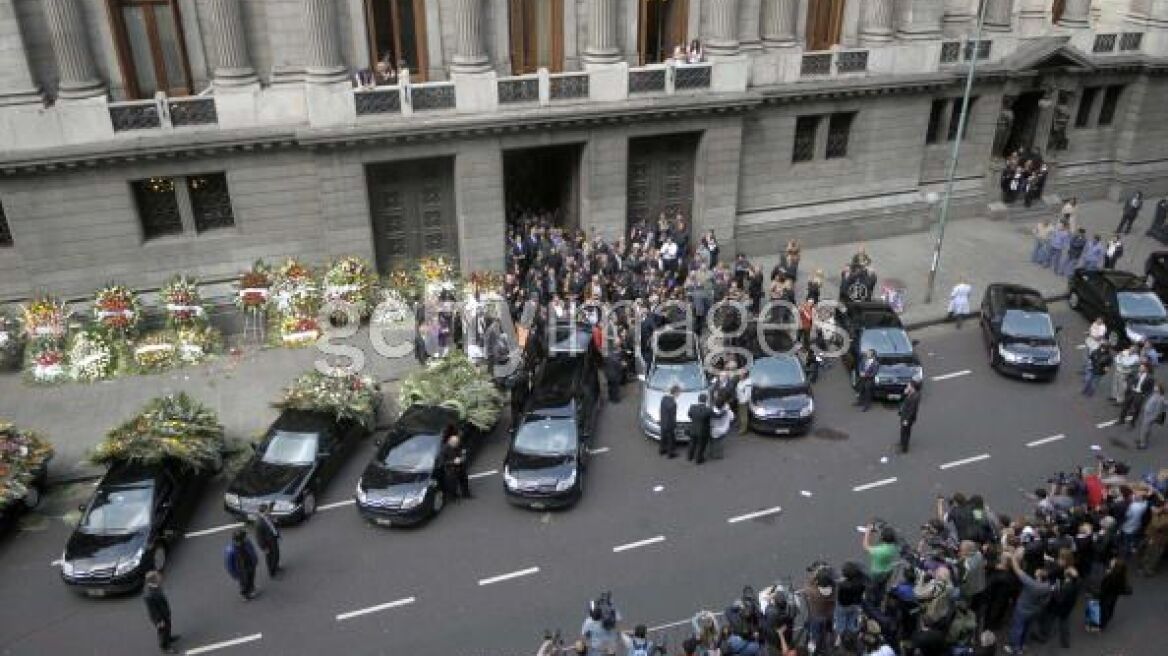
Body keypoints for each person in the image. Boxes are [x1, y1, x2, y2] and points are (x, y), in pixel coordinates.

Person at [1004, 546, 1052, 654]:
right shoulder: (1047, 586)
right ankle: (1023, 644)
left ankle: (1015, 648)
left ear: (1039, 575)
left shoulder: (1031, 583)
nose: (1037, 570)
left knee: (1017, 628)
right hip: (1035, 610)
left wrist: (1013, 558)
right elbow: (1046, 601)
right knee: (1027, 627)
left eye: (1039, 571)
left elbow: (1017, 570)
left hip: (1022, 609)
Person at [143, 571, 179, 654]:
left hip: (164, 613)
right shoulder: (149, 595)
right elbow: (153, 611)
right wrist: (159, 621)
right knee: (162, 632)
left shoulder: (155, 586)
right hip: (160, 618)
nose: (160, 577)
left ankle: (169, 638)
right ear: (153, 580)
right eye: (158, 577)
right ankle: (165, 646)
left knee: (168, 627)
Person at [1095, 557, 1130, 632]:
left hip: (1106, 596)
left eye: (1112, 562)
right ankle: (1104, 621)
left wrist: (1106, 575)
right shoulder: (1121, 576)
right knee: (1110, 608)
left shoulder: (1111, 577)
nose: (1110, 562)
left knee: (1103, 609)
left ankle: (1100, 624)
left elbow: (1104, 587)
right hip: (1114, 596)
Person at [224, 529, 259, 601]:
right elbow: (229, 565)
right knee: (243, 582)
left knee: (251, 577)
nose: (245, 538)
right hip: (241, 569)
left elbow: (252, 550)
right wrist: (234, 574)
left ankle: (251, 588)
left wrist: (255, 560)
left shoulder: (247, 542)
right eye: (243, 537)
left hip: (250, 564)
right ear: (237, 540)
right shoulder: (230, 550)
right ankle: (245, 594)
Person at [1118, 361, 1154, 425]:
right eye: (1140, 367)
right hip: (1131, 392)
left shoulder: (1150, 378)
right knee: (1125, 406)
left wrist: (1144, 395)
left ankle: (1132, 422)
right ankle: (1121, 420)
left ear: (1146, 369)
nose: (1140, 368)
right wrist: (1129, 385)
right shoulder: (1135, 373)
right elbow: (1128, 378)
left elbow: (1150, 390)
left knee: (1136, 409)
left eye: (1142, 367)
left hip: (1140, 395)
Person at [441, 429, 472, 500]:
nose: (456, 445)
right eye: (455, 443)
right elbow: (443, 462)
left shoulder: (458, 445)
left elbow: (462, 451)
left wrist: (463, 455)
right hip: (451, 470)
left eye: (457, 443)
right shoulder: (444, 450)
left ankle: (466, 494)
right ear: (450, 442)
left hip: (460, 467)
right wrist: (453, 462)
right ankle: (454, 496)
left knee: (464, 481)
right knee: (452, 485)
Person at [254, 503, 281, 578]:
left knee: (276, 554)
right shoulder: (259, 523)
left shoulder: (268, 516)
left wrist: (275, 521)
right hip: (268, 543)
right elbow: (259, 537)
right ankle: (272, 572)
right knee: (270, 557)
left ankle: (276, 566)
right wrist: (264, 548)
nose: (269, 511)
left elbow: (273, 525)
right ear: (263, 512)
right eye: (267, 510)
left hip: (273, 538)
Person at [1136, 382, 1165, 449]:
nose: (1155, 387)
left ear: (1159, 389)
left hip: (1150, 416)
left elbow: (1158, 410)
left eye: (1156, 387)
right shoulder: (1155, 394)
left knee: (1144, 429)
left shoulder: (1160, 398)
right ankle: (1143, 440)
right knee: (1146, 428)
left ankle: (1142, 444)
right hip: (1147, 413)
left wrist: (1152, 417)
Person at [687, 393, 713, 464]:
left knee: (692, 443)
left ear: (698, 399)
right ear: (706, 400)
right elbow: (714, 416)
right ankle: (699, 459)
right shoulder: (708, 410)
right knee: (701, 446)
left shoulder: (692, 407)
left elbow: (689, 415)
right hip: (703, 431)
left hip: (693, 429)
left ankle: (690, 457)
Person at [898, 381, 920, 454]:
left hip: (908, 418)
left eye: (909, 385)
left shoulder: (915, 397)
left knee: (906, 432)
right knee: (902, 430)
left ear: (912, 387)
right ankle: (902, 442)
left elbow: (912, 410)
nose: (907, 386)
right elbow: (902, 399)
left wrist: (906, 420)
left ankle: (905, 448)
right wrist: (905, 393)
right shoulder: (909, 393)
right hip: (904, 415)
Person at [659, 385, 679, 458]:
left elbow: (661, 410)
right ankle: (670, 453)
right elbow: (673, 416)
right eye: (678, 393)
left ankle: (661, 450)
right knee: (671, 439)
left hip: (663, 421)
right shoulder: (673, 404)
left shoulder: (664, 398)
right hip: (669, 424)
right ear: (675, 393)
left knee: (663, 437)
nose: (679, 395)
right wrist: (674, 425)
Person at [735, 371, 752, 435]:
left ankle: (743, 430)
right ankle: (740, 425)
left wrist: (744, 401)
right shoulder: (741, 381)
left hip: (743, 401)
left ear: (745, 375)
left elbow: (748, 394)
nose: (739, 376)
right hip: (740, 400)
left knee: (744, 416)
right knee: (740, 414)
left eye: (741, 375)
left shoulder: (748, 383)